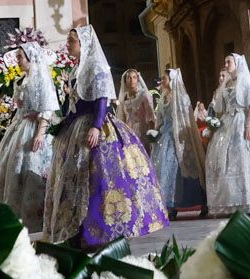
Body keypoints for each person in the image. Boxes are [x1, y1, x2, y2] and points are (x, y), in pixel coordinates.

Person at [43, 26, 168, 247]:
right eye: (69, 41)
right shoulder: (76, 69)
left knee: (100, 178)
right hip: (75, 127)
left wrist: (96, 126)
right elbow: (72, 103)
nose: (68, 44)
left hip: (95, 125)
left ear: (84, 43)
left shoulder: (96, 67)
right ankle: (76, 230)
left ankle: (101, 231)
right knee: (74, 179)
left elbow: (101, 98)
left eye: (72, 41)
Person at [0, 41, 59, 230]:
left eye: (20, 57)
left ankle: (35, 221)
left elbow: (48, 107)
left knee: (30, 171)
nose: (17, 60)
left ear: (30, 57)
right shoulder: (23, 79)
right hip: (20, 127)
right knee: (11, 171)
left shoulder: (41, 78)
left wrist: (40, 134)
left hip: (34, 129)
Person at [200, 54, 250, 217]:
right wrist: (214, 126)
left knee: (241, 157)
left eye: (229, 62)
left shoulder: (244, 80)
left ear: (237, 63)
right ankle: (229, 201)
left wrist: (248, 125)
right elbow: (220, 107)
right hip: (226, 122)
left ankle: (246, 199)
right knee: (222, 159)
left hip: (241, 120)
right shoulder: (226, 82)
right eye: (225, 61)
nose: (226, 64)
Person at [148, 67, 206, 218]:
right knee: (163, 167)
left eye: (165, 78)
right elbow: (159, 117)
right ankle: (167, 205)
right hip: (165, 135)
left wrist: (182, 135)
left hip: (178, 136)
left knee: (178, 167)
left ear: (172, 80)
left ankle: (195, 202)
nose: (162, 80)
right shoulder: (162, 97)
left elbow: (186, 118)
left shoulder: (181, 97)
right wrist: (156, 131)